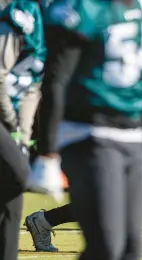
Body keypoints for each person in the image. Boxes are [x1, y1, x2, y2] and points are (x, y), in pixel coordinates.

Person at [28, 0, 142, 259]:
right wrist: (48, 153)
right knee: (106, 245)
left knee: (130, 249)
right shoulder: (83, 7)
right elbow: (56, 79)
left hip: (133, 136)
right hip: (88, 133)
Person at [0, 0, 44, 259]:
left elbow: (33, 82)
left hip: (11, 115)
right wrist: (12, 122)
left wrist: (23, 136)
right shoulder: (18, 10)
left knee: (13, 191)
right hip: (4, 113)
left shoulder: (47, 14)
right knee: (17, 174)